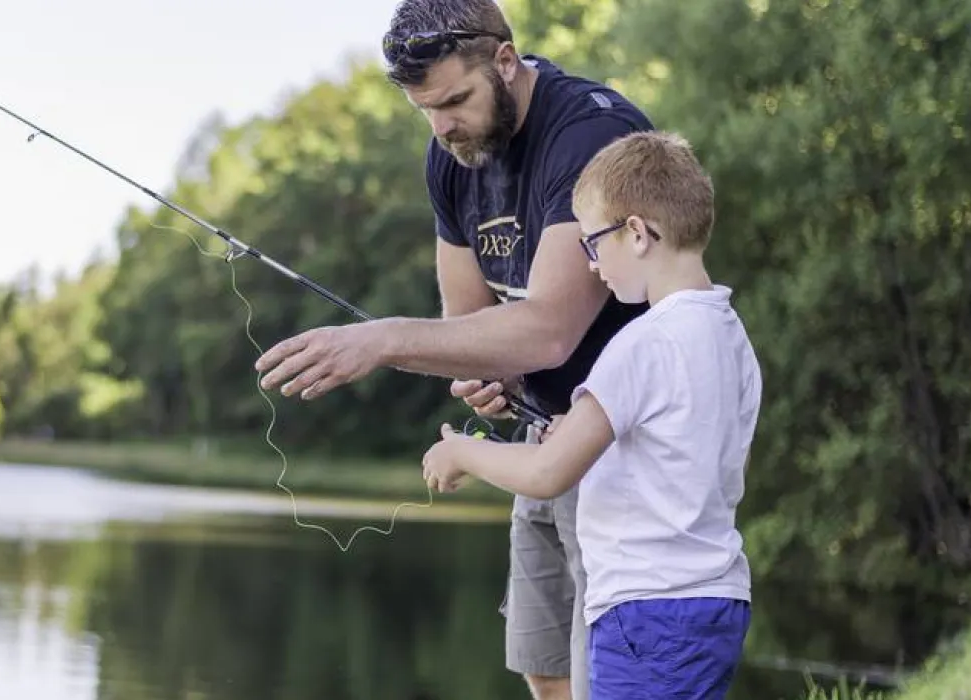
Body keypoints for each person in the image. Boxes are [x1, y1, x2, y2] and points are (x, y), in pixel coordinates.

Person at [251, 1, 652, 697]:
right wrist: (485, 373)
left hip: (626, 444)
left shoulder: (590, 133)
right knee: (546, 667)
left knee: (610, 679)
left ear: (505, 60)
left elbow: (549, 328)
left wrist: (382, 341)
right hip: (541, 439)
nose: (441, 127)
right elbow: (467, 319)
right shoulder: (452, 156)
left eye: (455, 100)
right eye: (425, 110)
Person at [419, 130, 759, 699]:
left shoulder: (638, 345)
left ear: (638, 233)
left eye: (593, 243)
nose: (592, 264)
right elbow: (680, 455)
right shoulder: (730, 335)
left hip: (645, 615)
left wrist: (461, 452)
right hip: (715, 600)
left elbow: (547, 474)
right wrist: (576, 437)